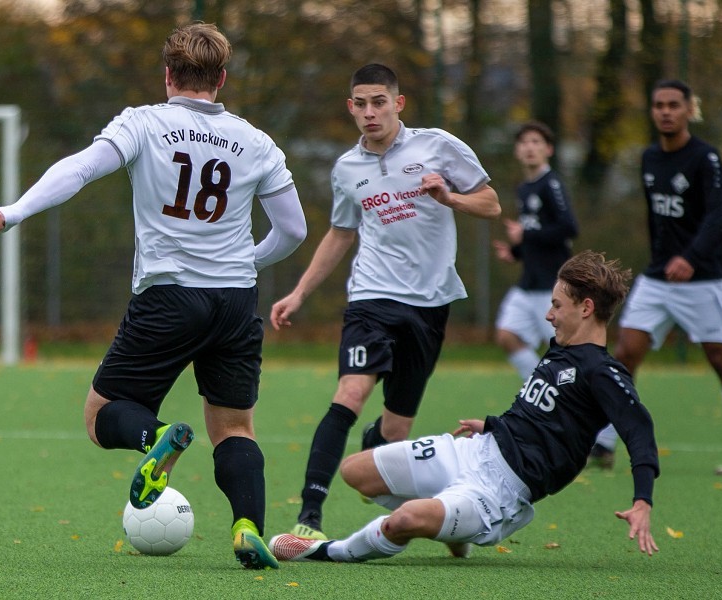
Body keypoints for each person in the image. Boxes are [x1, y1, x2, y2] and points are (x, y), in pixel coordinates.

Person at [0, 23, 307, 569]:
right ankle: (248, 527)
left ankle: (158, 438)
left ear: (167, 75)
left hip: (168, 298)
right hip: (234, 303)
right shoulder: (256, 141)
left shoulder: (144, 123)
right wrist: (242, 263)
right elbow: (292, 231)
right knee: (234, 427)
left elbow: (80, 169)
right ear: (221, 79)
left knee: (100, 416)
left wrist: (14, 211)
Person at [268, 250, 660, 563]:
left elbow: (639, 432)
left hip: (501, 491)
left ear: (586, 308)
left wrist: (642, 501)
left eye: (557, 305)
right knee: (356, 471)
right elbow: (544, 413)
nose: (548, 314)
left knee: (402, 520)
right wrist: (492, 425)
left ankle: (328, 552)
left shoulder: (604, 372)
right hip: (475, 450)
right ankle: (447, 523)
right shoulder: (560, 348)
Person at [269, 63, 501, 540]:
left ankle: (373, 458)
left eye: (379, 102)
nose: (369, 112)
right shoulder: (346, 168)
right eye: (360, 103)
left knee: (395, 433)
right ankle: (309, 517)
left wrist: (449, 198)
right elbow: (340, 233)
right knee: (349, 395)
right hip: (371, 298)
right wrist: (298, 293)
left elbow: (491, 203)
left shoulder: (438, 146)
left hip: (430, 305)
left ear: (398, 104)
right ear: (350, 107)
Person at [592, 79, 722, 476]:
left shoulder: (706, 158)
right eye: (658, 105)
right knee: (625, 353)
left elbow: (717, 217)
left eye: (674, 105)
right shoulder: (649, 157)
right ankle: (602, 444)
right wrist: (663, 260)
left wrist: (691, 258)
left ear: (690, 109)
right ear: (652, 111)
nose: (666, 111)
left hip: (704, 279)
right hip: (658, 279)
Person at [493, 120, 578, 382]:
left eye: (536, 142)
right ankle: (539, 387)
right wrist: (516, 251)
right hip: (528, 283)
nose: (529, 148)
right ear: (517, 150)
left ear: (548, 150)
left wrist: (525, 234)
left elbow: (568, 228)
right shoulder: (525, 187)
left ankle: (595, 417)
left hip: (552, 285)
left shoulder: (551, 183)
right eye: (524, 143)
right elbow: (538, 233)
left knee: (568, 355)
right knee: (507, 335)